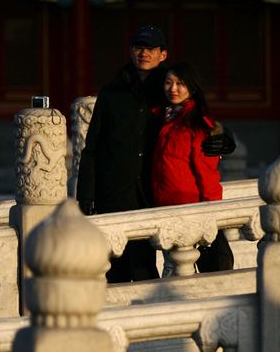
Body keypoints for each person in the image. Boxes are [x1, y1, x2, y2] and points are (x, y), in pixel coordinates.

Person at [77, 26, 235, 283]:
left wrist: (223, 136)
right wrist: (85, 193)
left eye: (151, 49)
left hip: (149, 191)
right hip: (114, 189)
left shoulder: (168, 87)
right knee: (113, 266)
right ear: (131, 51)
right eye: (139, 48)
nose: (144, 53)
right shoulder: (112, 92)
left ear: (163, 54)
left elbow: (196, 115)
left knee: (143, 266)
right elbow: (92, 146)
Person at [151, 62, 234, 273]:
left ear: (192, 88)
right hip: (163, 206)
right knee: (173, 268)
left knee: (201, 270)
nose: (173, 89)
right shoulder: (159, 118)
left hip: (190, 207)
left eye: (180, 83)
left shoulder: (198, 125)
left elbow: (206, 172)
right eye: (168, 83)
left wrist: (213, 211)